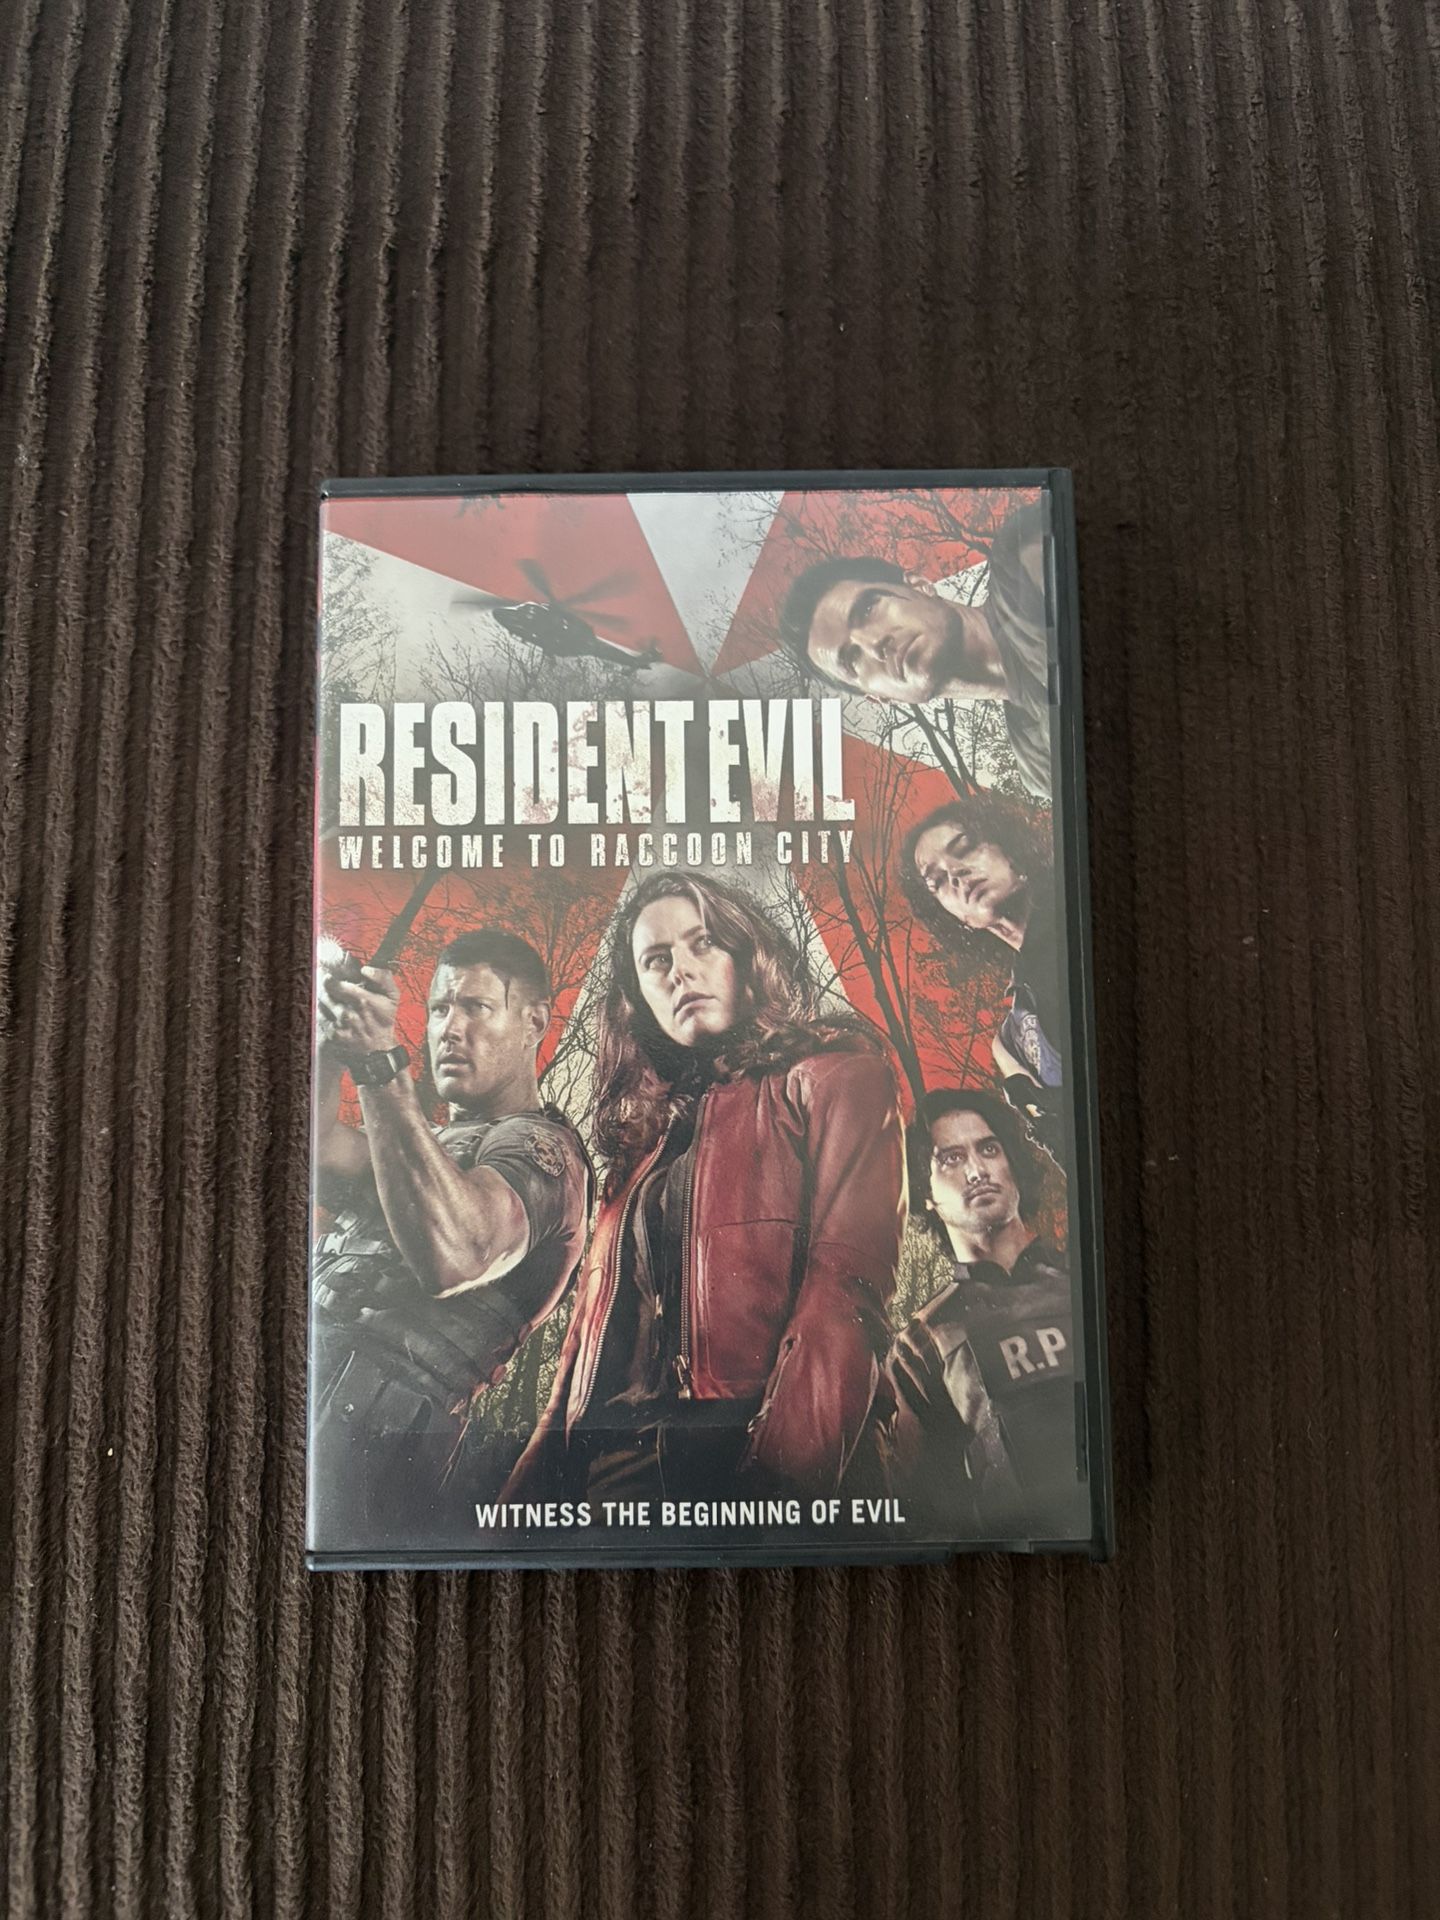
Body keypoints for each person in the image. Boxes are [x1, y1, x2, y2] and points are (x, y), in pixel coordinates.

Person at [504, 871, 905, 1510]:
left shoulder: (834, 1077)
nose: (680, 972)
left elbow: (846, 1290)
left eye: (704, 943)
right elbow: (581, 1350)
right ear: (639, 996)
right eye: (656, 960)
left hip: (756, 1453)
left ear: (747, 958)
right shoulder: (642, 1145)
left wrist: (781, 1489)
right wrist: (519, 1507)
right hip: (614, 1473)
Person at [311, 929, 590, 1544]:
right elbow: (317, 1149)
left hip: (374, 1441)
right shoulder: (421, 1143)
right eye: (439, 1008)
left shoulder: (544, 1151)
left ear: (534, 1022)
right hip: (325, 1404)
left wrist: (379, 1064)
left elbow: (456, 1253)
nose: (449, 1029)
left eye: (476, 1007)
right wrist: (331, 1042)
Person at [883, 1090, 1086, 1539]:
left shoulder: (1085, 1285)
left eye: (989, 1149)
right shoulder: (922, 1343)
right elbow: (923, 1515)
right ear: (926, 1193)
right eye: (951, 1159)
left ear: (1013, 1164)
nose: (977, 1171)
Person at [776, 499, 1052, 799]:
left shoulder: (1023, 560)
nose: (873, 644)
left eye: (867, 609)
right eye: (852, 658)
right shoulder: (1038, 765)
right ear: (880, 698)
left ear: (920, 585)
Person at [901, 790, 1066, 1160]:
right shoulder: (1010, 1040)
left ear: (1011, 849)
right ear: (955, 917)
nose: (955, 873)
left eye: (965, 847)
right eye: (937, 881)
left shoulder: (1078, 914)